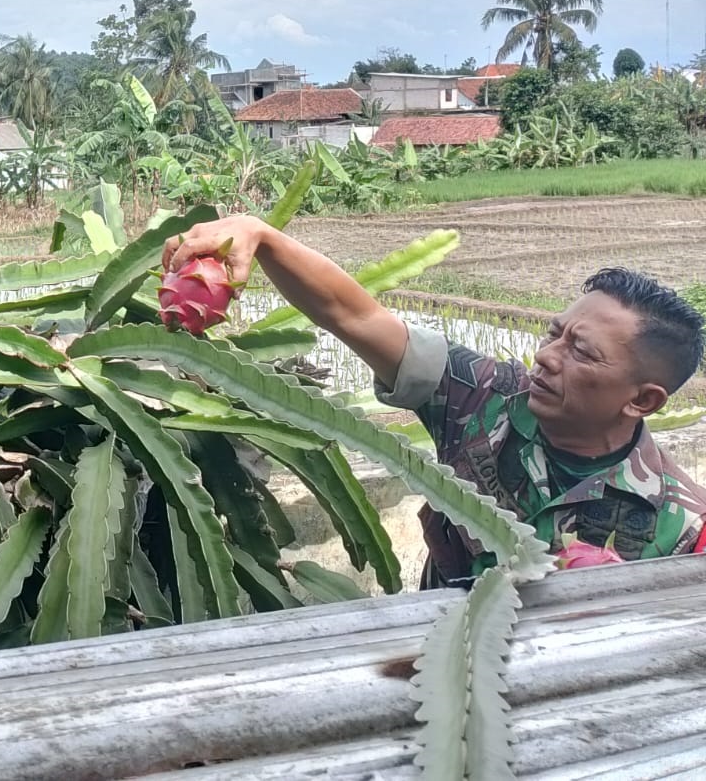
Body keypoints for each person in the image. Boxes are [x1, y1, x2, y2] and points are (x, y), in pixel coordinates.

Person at [164, 214, 706, 587]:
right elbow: (355, 316)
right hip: (435, 665)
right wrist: (263, 236)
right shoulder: (479, 394)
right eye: (554, 333)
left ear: (642, 400)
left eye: (581, 352)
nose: (547, 356)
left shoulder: (682, 528)